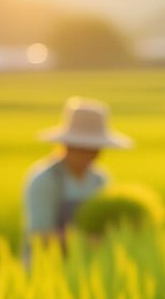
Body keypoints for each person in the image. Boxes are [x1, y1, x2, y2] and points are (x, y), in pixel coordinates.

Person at [23, 97, 133, 257]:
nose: (93, 157)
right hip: (44, 266)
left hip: (83, 264)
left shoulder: (99, 179)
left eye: (96, 150)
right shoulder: (45, 180)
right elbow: (39, 236)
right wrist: (84, 240)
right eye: (85, 150)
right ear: (68, 146)